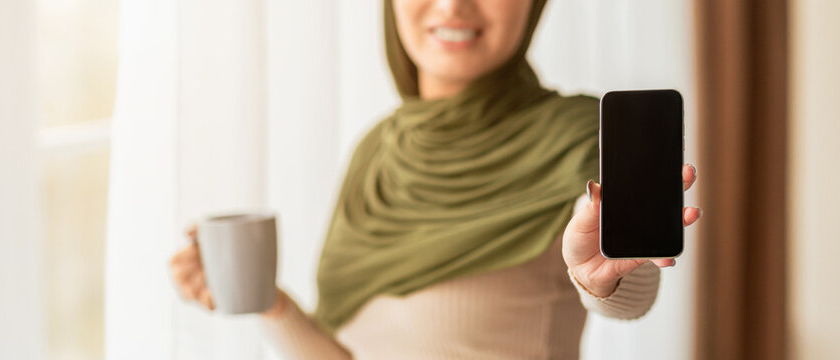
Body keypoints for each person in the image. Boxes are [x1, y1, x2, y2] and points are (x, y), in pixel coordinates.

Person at [170, 0, 702, 358]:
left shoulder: (583, 138)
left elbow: (629, 288)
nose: (452, 5)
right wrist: (270, 303)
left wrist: (601, 275)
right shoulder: (378, 150)